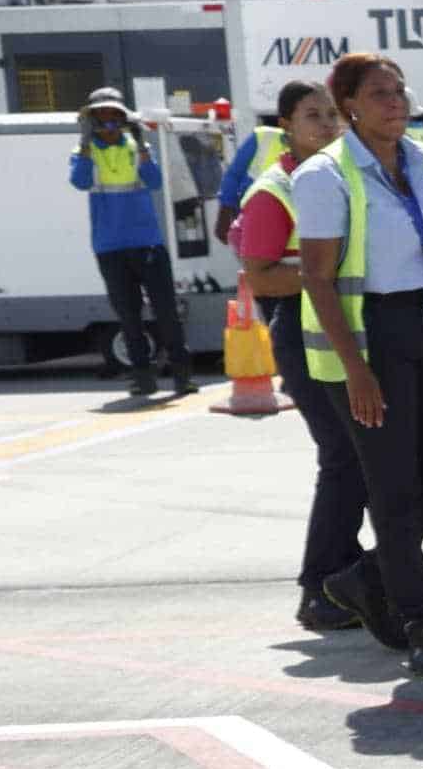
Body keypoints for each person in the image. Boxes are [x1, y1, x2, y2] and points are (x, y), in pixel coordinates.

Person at [290, 51, 423, 684]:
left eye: (400, 91)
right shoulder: (324, 176)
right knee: (393, 489)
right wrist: (356, 370)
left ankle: (364, 576)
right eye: (381, 94)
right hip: (372, 334)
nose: (396, 102)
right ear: (350, 104)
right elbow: (319, 280)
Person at [226, 79, 389, 639]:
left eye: (332, 116)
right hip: (302, 331)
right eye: (313, 116)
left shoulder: (344, 176)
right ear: (287, 127)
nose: (326, 125)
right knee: (344, 455)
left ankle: (344, 576)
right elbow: (261, 274)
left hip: (347, 326)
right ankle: (320, 584)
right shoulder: (276, 191)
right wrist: (327, 277)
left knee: (358, 457)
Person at [69, 89, 196, 400]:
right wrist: (86, 145)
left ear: (123, 119)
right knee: (129, 315)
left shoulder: (137, 146)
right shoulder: (83, 151)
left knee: (166, 311)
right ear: (91, 120)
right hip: (109, 247)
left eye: (114, 116)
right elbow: (80, 181)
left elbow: (153, 181)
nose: (109, 123)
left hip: (147, 242)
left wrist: (141, 148)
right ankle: (142, 378)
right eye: (101, 117)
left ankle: (182, 377)